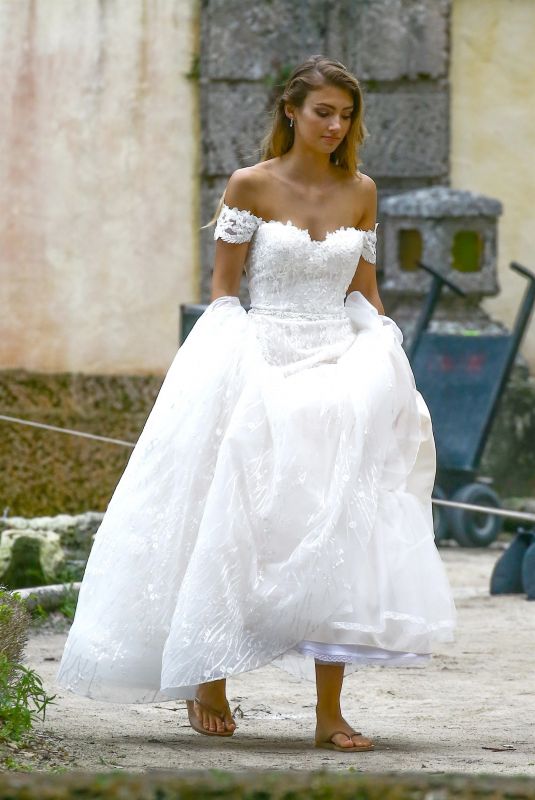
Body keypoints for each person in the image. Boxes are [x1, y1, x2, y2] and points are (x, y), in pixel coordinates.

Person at [56, 54, 457, 753]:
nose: (334, 125)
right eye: (322, 111)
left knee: (341, 521)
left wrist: (386, 365)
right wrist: (237, 360)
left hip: (337, 362)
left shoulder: (361, 190)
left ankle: (329, 712)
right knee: (236, 511)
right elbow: (222, 289)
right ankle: (206, 674)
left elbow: (363, 290)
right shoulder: (249, 185)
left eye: (345, 114)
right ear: (290, 112)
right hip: (261, 352)